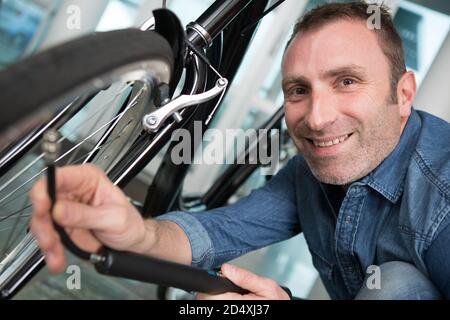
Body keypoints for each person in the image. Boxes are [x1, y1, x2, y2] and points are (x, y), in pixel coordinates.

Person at [30, 1, 449, 300]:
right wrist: (136, 231)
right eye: (299, 90)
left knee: (397, 285)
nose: (318, 119)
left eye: (347, 82)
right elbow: (221, 231)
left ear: (404, 94)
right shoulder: (311, 172)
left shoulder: (441, 200)